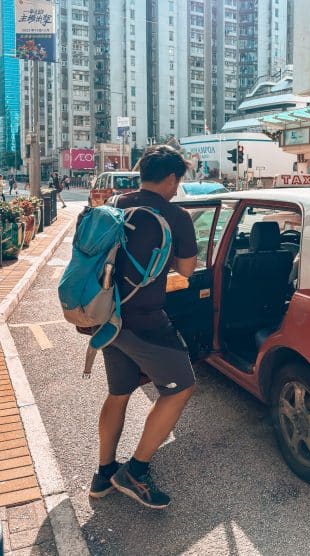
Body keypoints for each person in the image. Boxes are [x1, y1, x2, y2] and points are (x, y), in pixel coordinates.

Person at [89, 145, 198, 509]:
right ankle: (135, 470)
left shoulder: (116, 203)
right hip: (146, 321)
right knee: (181, 387)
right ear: (170, 179)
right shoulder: (177, 216)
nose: (177, 187)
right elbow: (185, 271)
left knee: (119, 394)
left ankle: (104, 473)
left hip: (106, 316)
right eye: (178, 181)